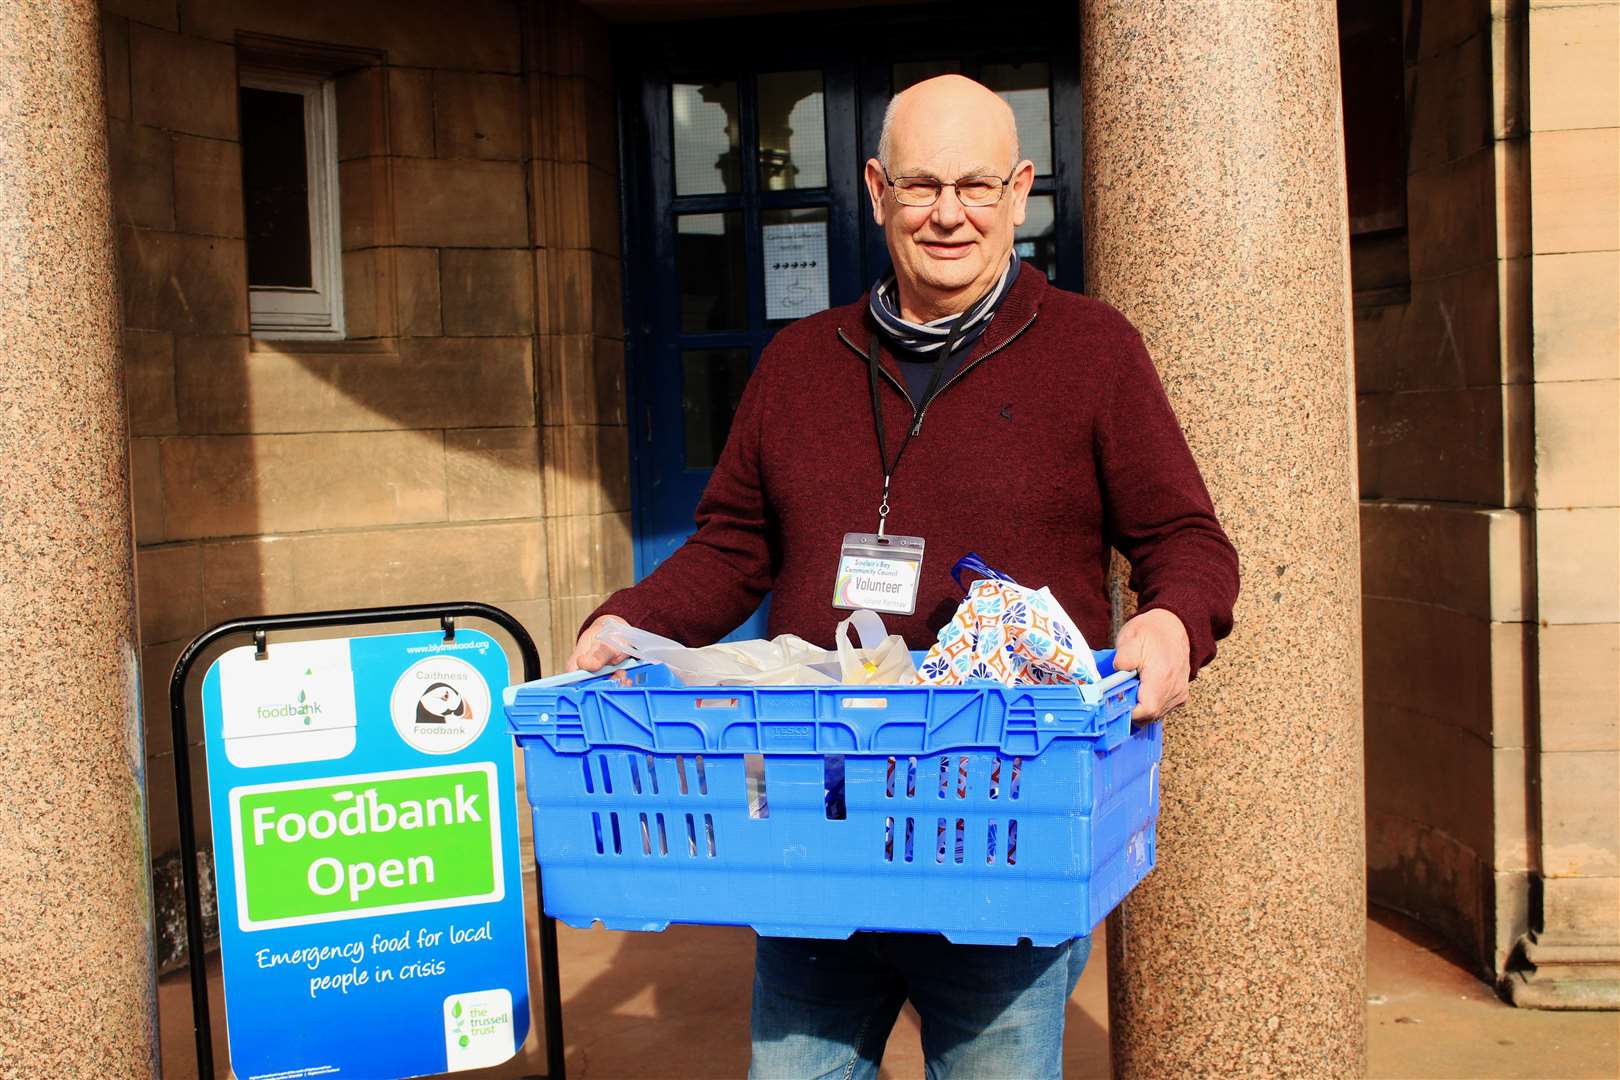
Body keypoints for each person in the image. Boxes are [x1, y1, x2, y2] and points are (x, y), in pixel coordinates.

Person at [568, 75, 1240, 1079]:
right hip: (818, 816)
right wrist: (628, 622)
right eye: (922, 185)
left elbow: (1186, 536)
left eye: (976, 185)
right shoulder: (798, 364)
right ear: (878, 191)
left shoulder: (1095, 351)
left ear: (1020, 192)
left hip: (1000, 819)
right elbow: (730, 545)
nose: (949, 212)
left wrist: (1175, 623)